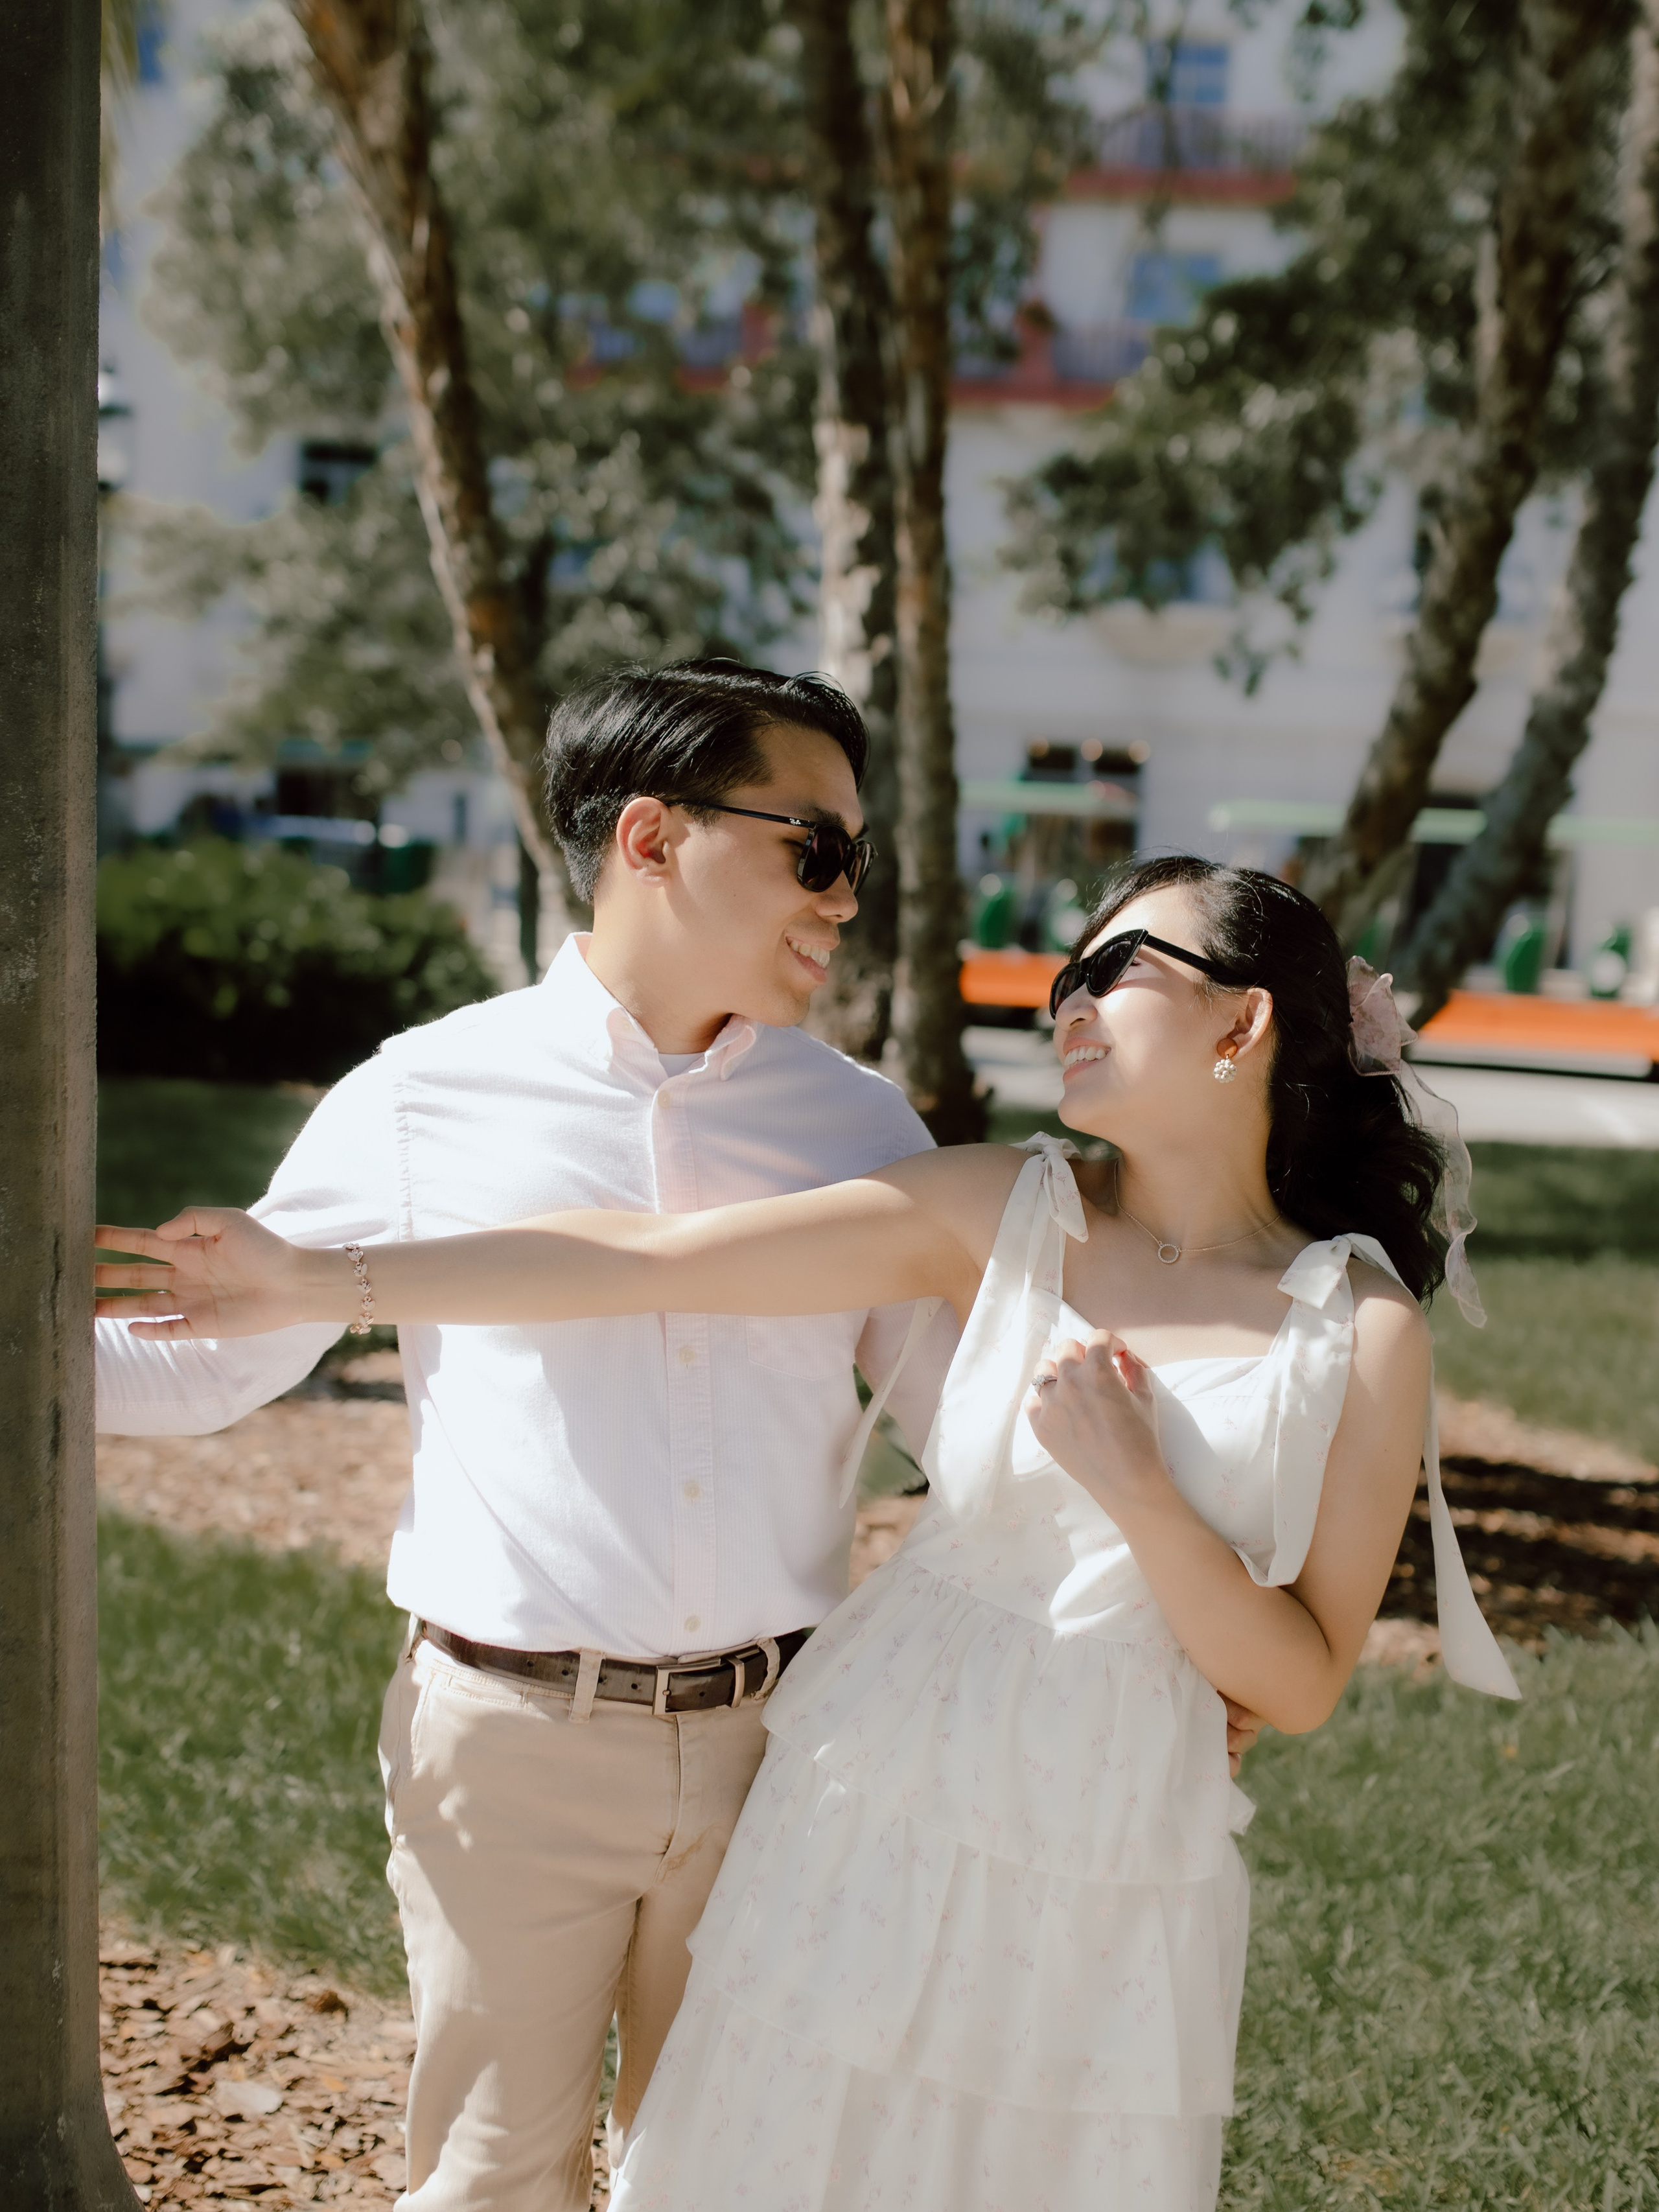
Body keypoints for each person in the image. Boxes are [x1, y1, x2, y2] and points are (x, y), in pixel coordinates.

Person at [96, 857, 1510, 2211]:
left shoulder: (1361, 1328)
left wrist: (1145, 1501)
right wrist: (321, 1278)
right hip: (876, 1783)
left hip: (1120, 1833)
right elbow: (648, 1259)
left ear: (1243, 1022)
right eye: (1062, 978)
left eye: (1115, 968)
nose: (1069, 1003)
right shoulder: (996, 1207)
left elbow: (1301, 1680)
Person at [93, 662, 976, 2212]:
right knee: (490, 2182)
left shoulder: (856, 1128)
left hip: (784, 1753)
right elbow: (210, 1370)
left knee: (730, 2182)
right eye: (817, 849)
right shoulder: (423, 1097)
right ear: (652, 835)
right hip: (506, 1750)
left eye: (857, 857)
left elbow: (974, 1430)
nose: (846, 896)